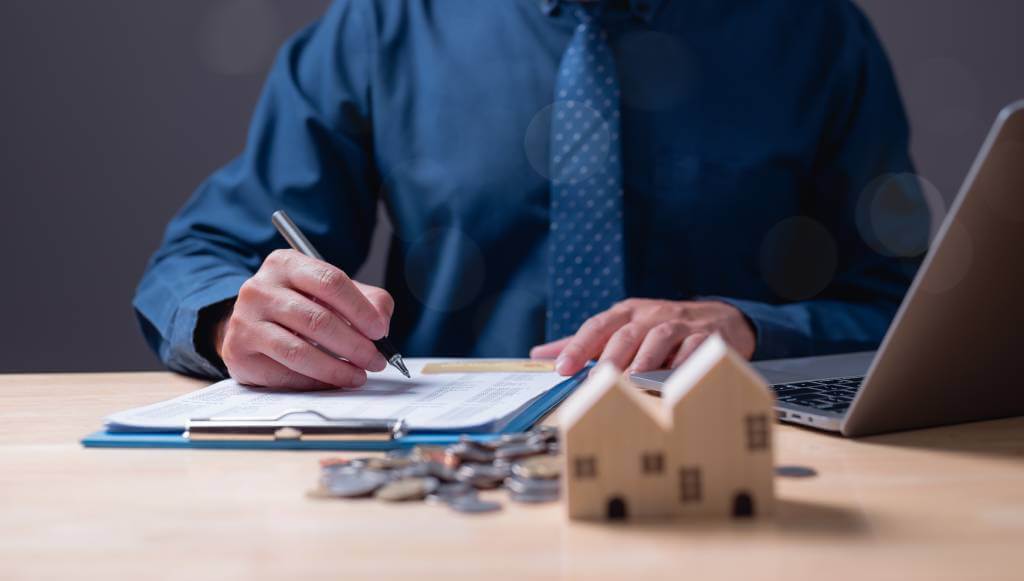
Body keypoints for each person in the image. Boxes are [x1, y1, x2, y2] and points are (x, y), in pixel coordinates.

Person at [135, 0, 924, 390]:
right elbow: (201, 257)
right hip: (448, 479)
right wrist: (232, 318)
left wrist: (752, 328)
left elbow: (908, 311)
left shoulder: (816, 32)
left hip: (733, 471)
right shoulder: (385, 23)